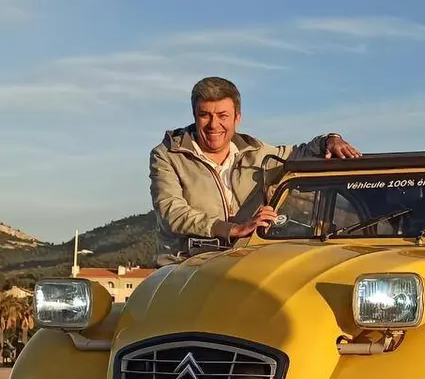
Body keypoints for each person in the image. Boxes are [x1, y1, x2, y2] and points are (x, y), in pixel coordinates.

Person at [149, 76, 362, 264]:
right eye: (205, 115)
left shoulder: (257, 152)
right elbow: (172, 212)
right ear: (195, 116)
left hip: (244, 262)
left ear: (237, 118)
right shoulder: (167, 154)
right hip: (186, 263)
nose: (213, 124)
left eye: (223, 116)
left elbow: (300, 154)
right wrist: (233, 229)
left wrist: (330, 140)